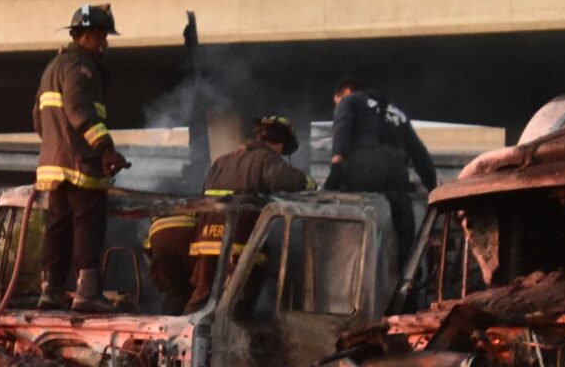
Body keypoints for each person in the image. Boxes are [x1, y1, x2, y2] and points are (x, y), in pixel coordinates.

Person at [33, 3, 127, 311]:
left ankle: (51, 290)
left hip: (52, 165)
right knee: (88, 223)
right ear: (84, 35)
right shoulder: (82, 68)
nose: (104, 44)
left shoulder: (52, 68)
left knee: (57, 226)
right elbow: (79, 112)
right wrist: (105, 148)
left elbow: (37, 119)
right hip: (79, 164)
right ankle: (87, 291)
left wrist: (55, 145)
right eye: (100, 36)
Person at [188, 115, 308, 307]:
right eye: (282, 149)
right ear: (278, 142)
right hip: (240, 238)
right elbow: (292, 180)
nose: (280, 153)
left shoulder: (222, 160)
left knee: (204, 294)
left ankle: (189, 332)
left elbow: (204, 190)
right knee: (240, 296)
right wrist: (310, 183)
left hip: (208, 236)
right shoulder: (266, 158)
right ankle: (234, 335)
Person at [325, 78, 440, 249]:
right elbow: (419, 153)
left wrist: (336, 165)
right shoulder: (396, 111)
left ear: (346, 91)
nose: (337, 107)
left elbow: (343, 128)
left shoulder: (350, 100)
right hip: (398, 174)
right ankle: (405, 268)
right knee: (402, 217)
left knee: (357, 221)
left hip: (364, 170)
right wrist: (433, 189)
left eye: (337, 103)